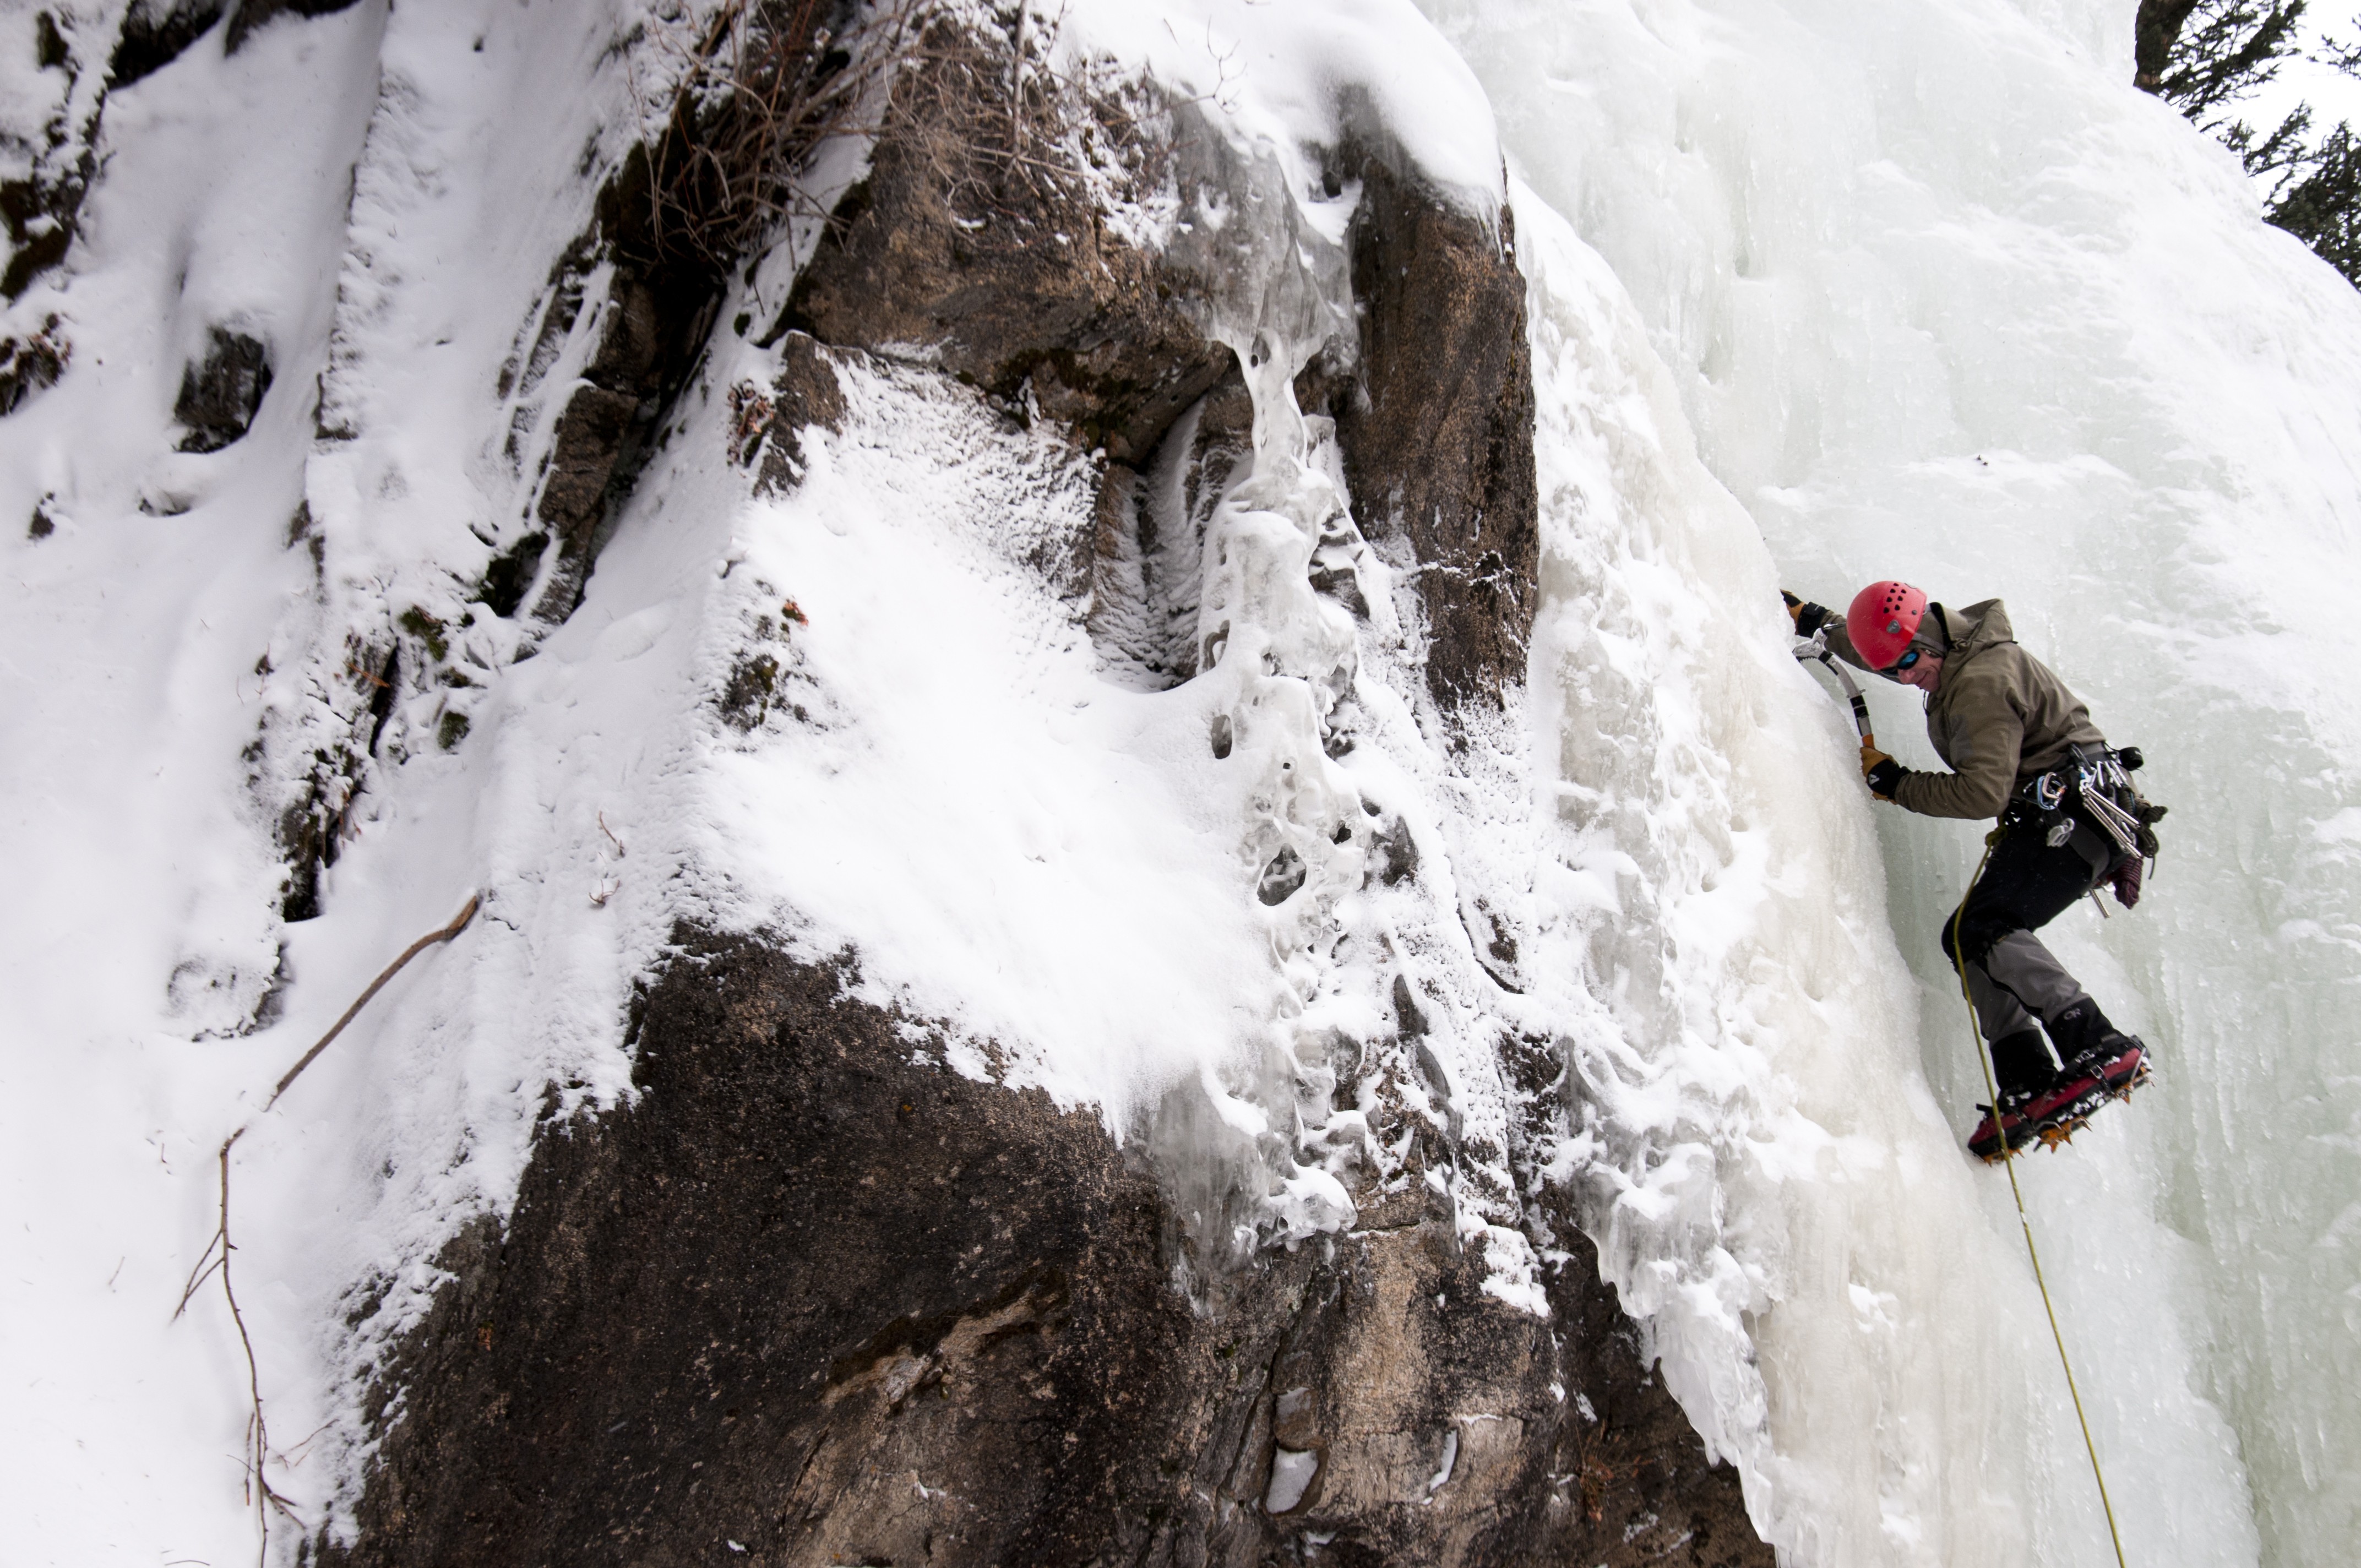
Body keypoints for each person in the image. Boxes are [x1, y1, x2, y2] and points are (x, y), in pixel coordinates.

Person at [1785, 581, 2156, 1159]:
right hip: (2069, 817)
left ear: (1933, 641)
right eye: (1897, 668)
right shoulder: (1949, 657)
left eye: (1911, 663)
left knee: (1989, 926)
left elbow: (1981, 792)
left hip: (2075, 819)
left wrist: (1898, 783)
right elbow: (1892, 652)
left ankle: (2098, 1042)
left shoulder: (1981, 680)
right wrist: (1817, 621)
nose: (1907, 677)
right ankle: (2026, 1078)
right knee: (1966, 934)